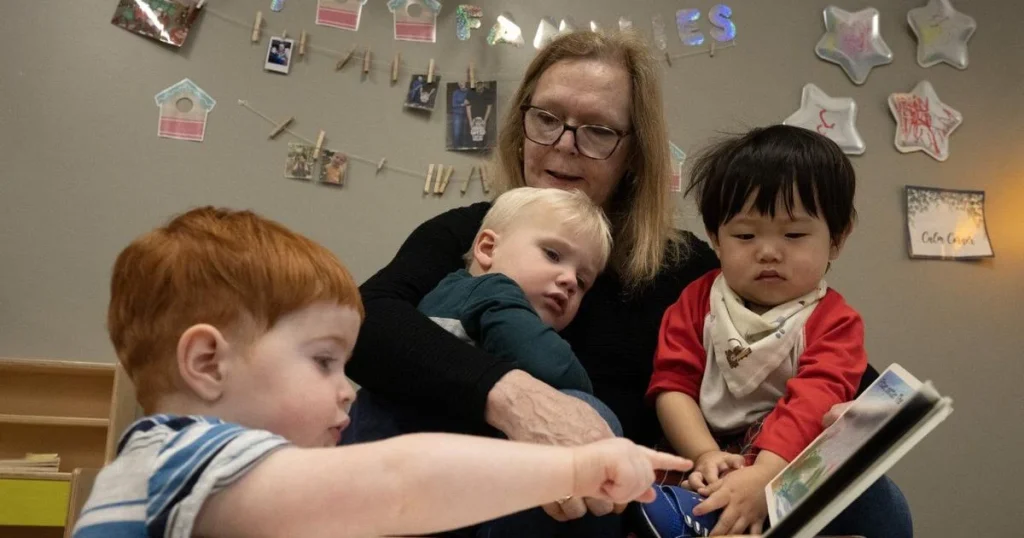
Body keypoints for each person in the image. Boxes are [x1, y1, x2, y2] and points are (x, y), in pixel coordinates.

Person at [345, 30, 911, 538]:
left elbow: (824, 355)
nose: (565, 142)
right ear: (521, 126)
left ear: (634, 154)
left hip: (657, 496)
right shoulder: (471, 232)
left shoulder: (683, 265)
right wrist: (515, 398)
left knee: (880, 503)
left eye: (597, 131)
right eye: (546, 118)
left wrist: (846, 419)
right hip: (509, 485)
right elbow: (367, 321)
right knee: (580, 468)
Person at [71, 206, 693, 538]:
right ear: (209, 363)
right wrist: (576, 468)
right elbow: (401, 484)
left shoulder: (163, 468)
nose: (346, 389)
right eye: (323, 361)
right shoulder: (189, 460)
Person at [641, 125, 871, 536]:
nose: (768, 251)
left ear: (837, 238)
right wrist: (704, 454)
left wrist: (764, 476)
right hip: (701, 460)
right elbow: (672, 387)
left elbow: (813, 401)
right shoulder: (697, 302)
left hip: (784, 467)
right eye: (745, 235)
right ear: (715, 238)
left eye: (794, 235)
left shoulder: (835, 322)